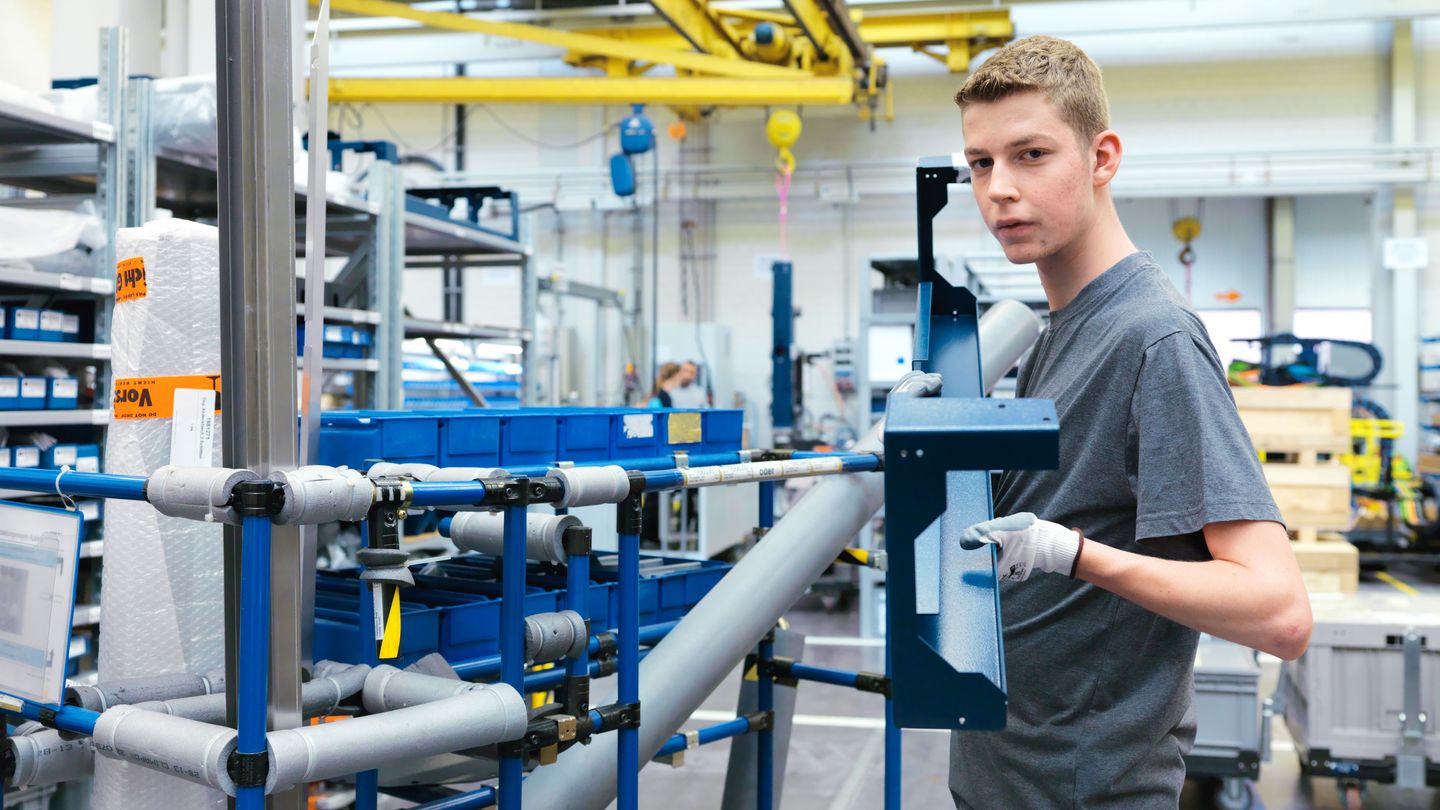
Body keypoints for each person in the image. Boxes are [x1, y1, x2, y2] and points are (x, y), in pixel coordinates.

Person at [937, 35, 1312, 809]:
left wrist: (1073, 555)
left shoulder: (1153, 337)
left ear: (1103, 157)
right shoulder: (1064, 326)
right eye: (980, 164)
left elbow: (1279, 612)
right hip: (1009, 774)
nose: (998, 189)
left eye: (1030, 155)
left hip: (1085, 789)